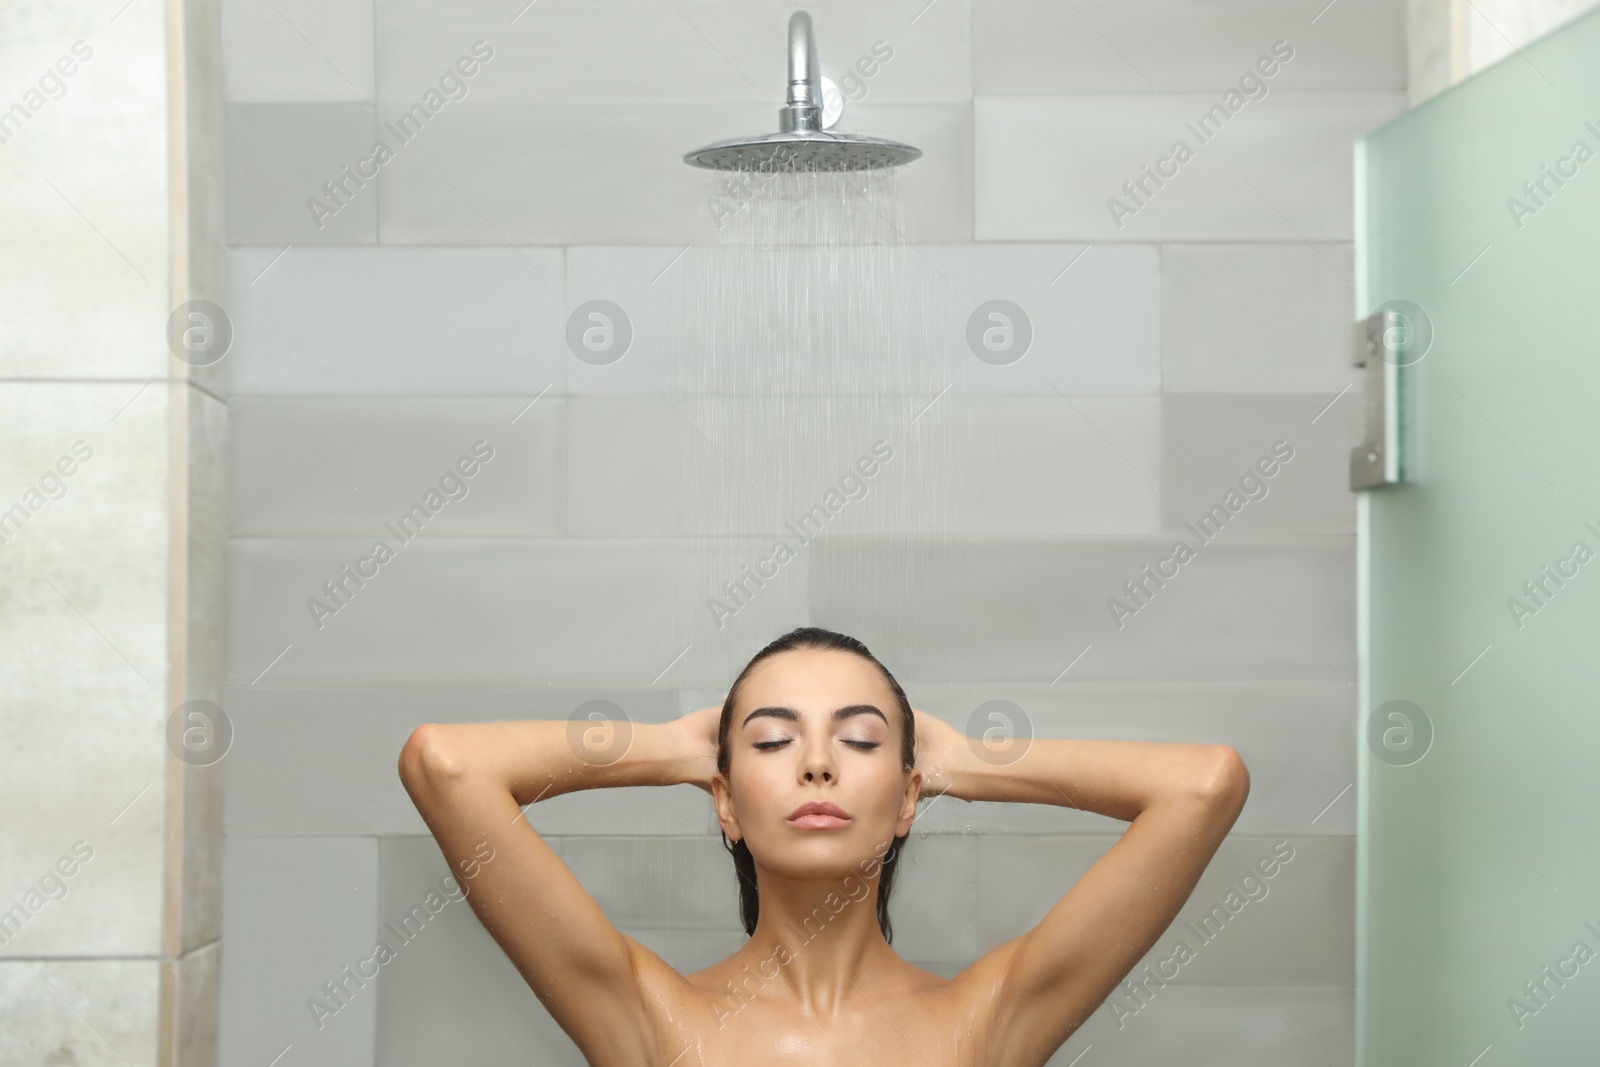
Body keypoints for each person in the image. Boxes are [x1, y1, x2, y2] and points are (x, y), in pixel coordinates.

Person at [399, 625, 1248, 1065]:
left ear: (909, 795)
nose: (814, 763)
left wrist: (966, 762)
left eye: (861, 741)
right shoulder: (649, 1015)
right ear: (725, 801)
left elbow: (1203, 783)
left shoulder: (985, 1019)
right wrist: (673, 749)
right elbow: (447, 764)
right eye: (772, 742)